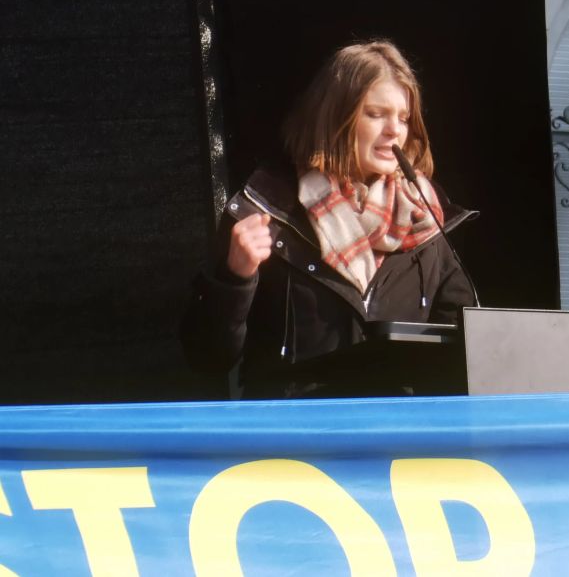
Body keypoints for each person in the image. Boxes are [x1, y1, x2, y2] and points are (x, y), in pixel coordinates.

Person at [181, 40, 477, 398]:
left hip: (398, 438)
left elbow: (470, 352)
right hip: (297, 439)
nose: (395, 130)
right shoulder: (269, 211)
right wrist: (234, 278)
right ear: (336, 118)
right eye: (375, 114)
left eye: (403, 117)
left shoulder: (426, 219)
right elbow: (206, 358)